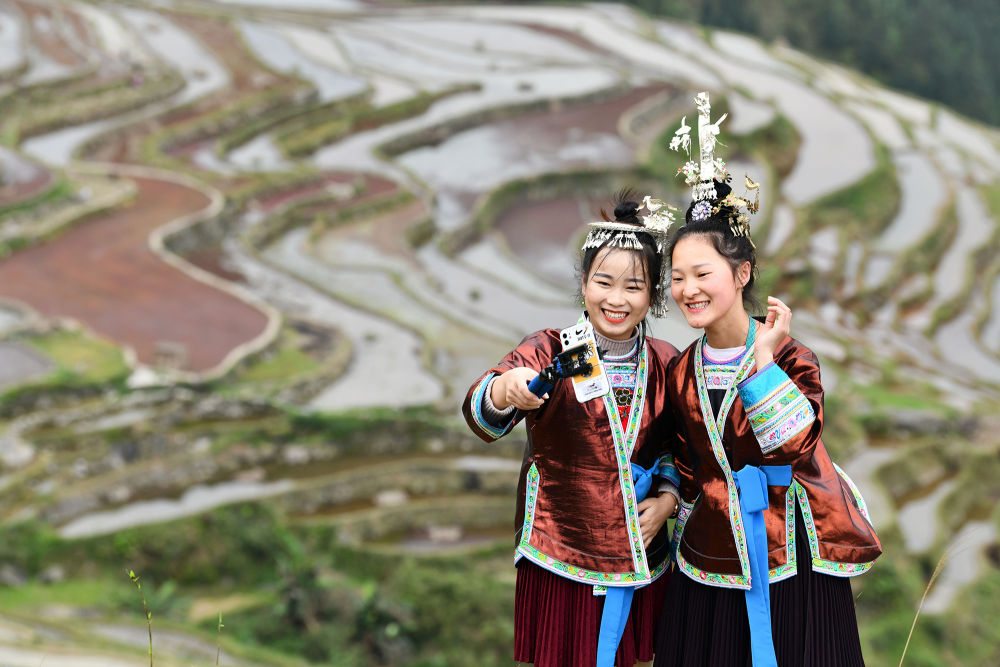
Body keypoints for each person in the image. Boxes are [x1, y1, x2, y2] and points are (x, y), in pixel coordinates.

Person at [653, 93, 882, 666]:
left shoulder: (792, 357)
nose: (687, 290)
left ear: (742, 272)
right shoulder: (681, 370)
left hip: (793, 545)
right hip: (710, 545)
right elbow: (684, 462)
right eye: (677, 277)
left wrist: (761, 363)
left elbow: (797, 444)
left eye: (702, 273)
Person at [462, 195, 683, 667]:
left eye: (634, 287)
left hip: (639, 552)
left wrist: (666, 500)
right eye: (603, 282)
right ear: (583, 283)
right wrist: (506, 389)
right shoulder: (550, 350)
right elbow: (484, 408)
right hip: (560, 546)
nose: (616, 300)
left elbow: (676, 449)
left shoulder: (666, 362)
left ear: (654, 294)